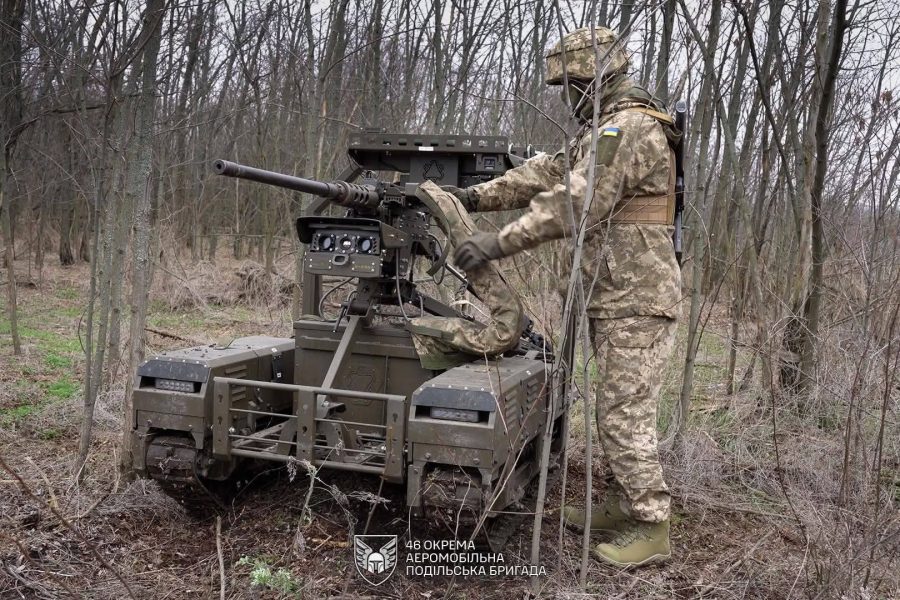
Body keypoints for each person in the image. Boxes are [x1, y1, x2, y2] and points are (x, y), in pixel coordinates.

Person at [448, 26, 682, 568]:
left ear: (592, 79)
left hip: (637, 299)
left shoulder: (628, 127)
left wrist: (497, 243)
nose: (565, 98)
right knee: (614, 409)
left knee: (624, 414)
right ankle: (623, 507)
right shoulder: (601, 131)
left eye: (570, 86)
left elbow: (575, 200)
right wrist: (471, 198)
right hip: (616, 295)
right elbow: (546, 173)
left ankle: (652, 525)